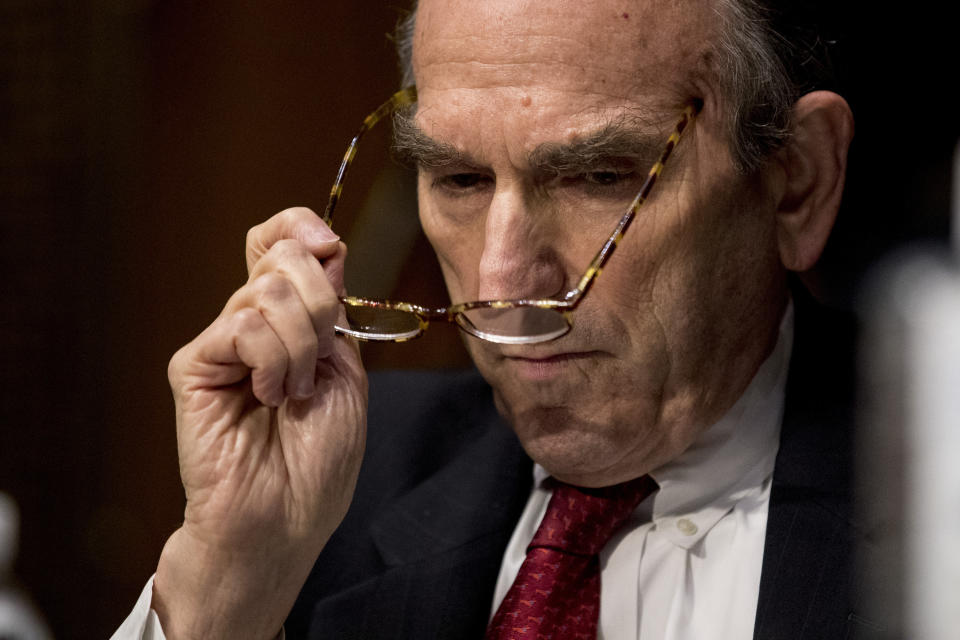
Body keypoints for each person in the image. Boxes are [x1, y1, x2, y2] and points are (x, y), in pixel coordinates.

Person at [115, 0, 873, 637]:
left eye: (597, 177)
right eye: (461, 179)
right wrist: (228, 586)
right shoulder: (326, 490)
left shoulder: (932, 502)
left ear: (797, 184)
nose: (500, 280)